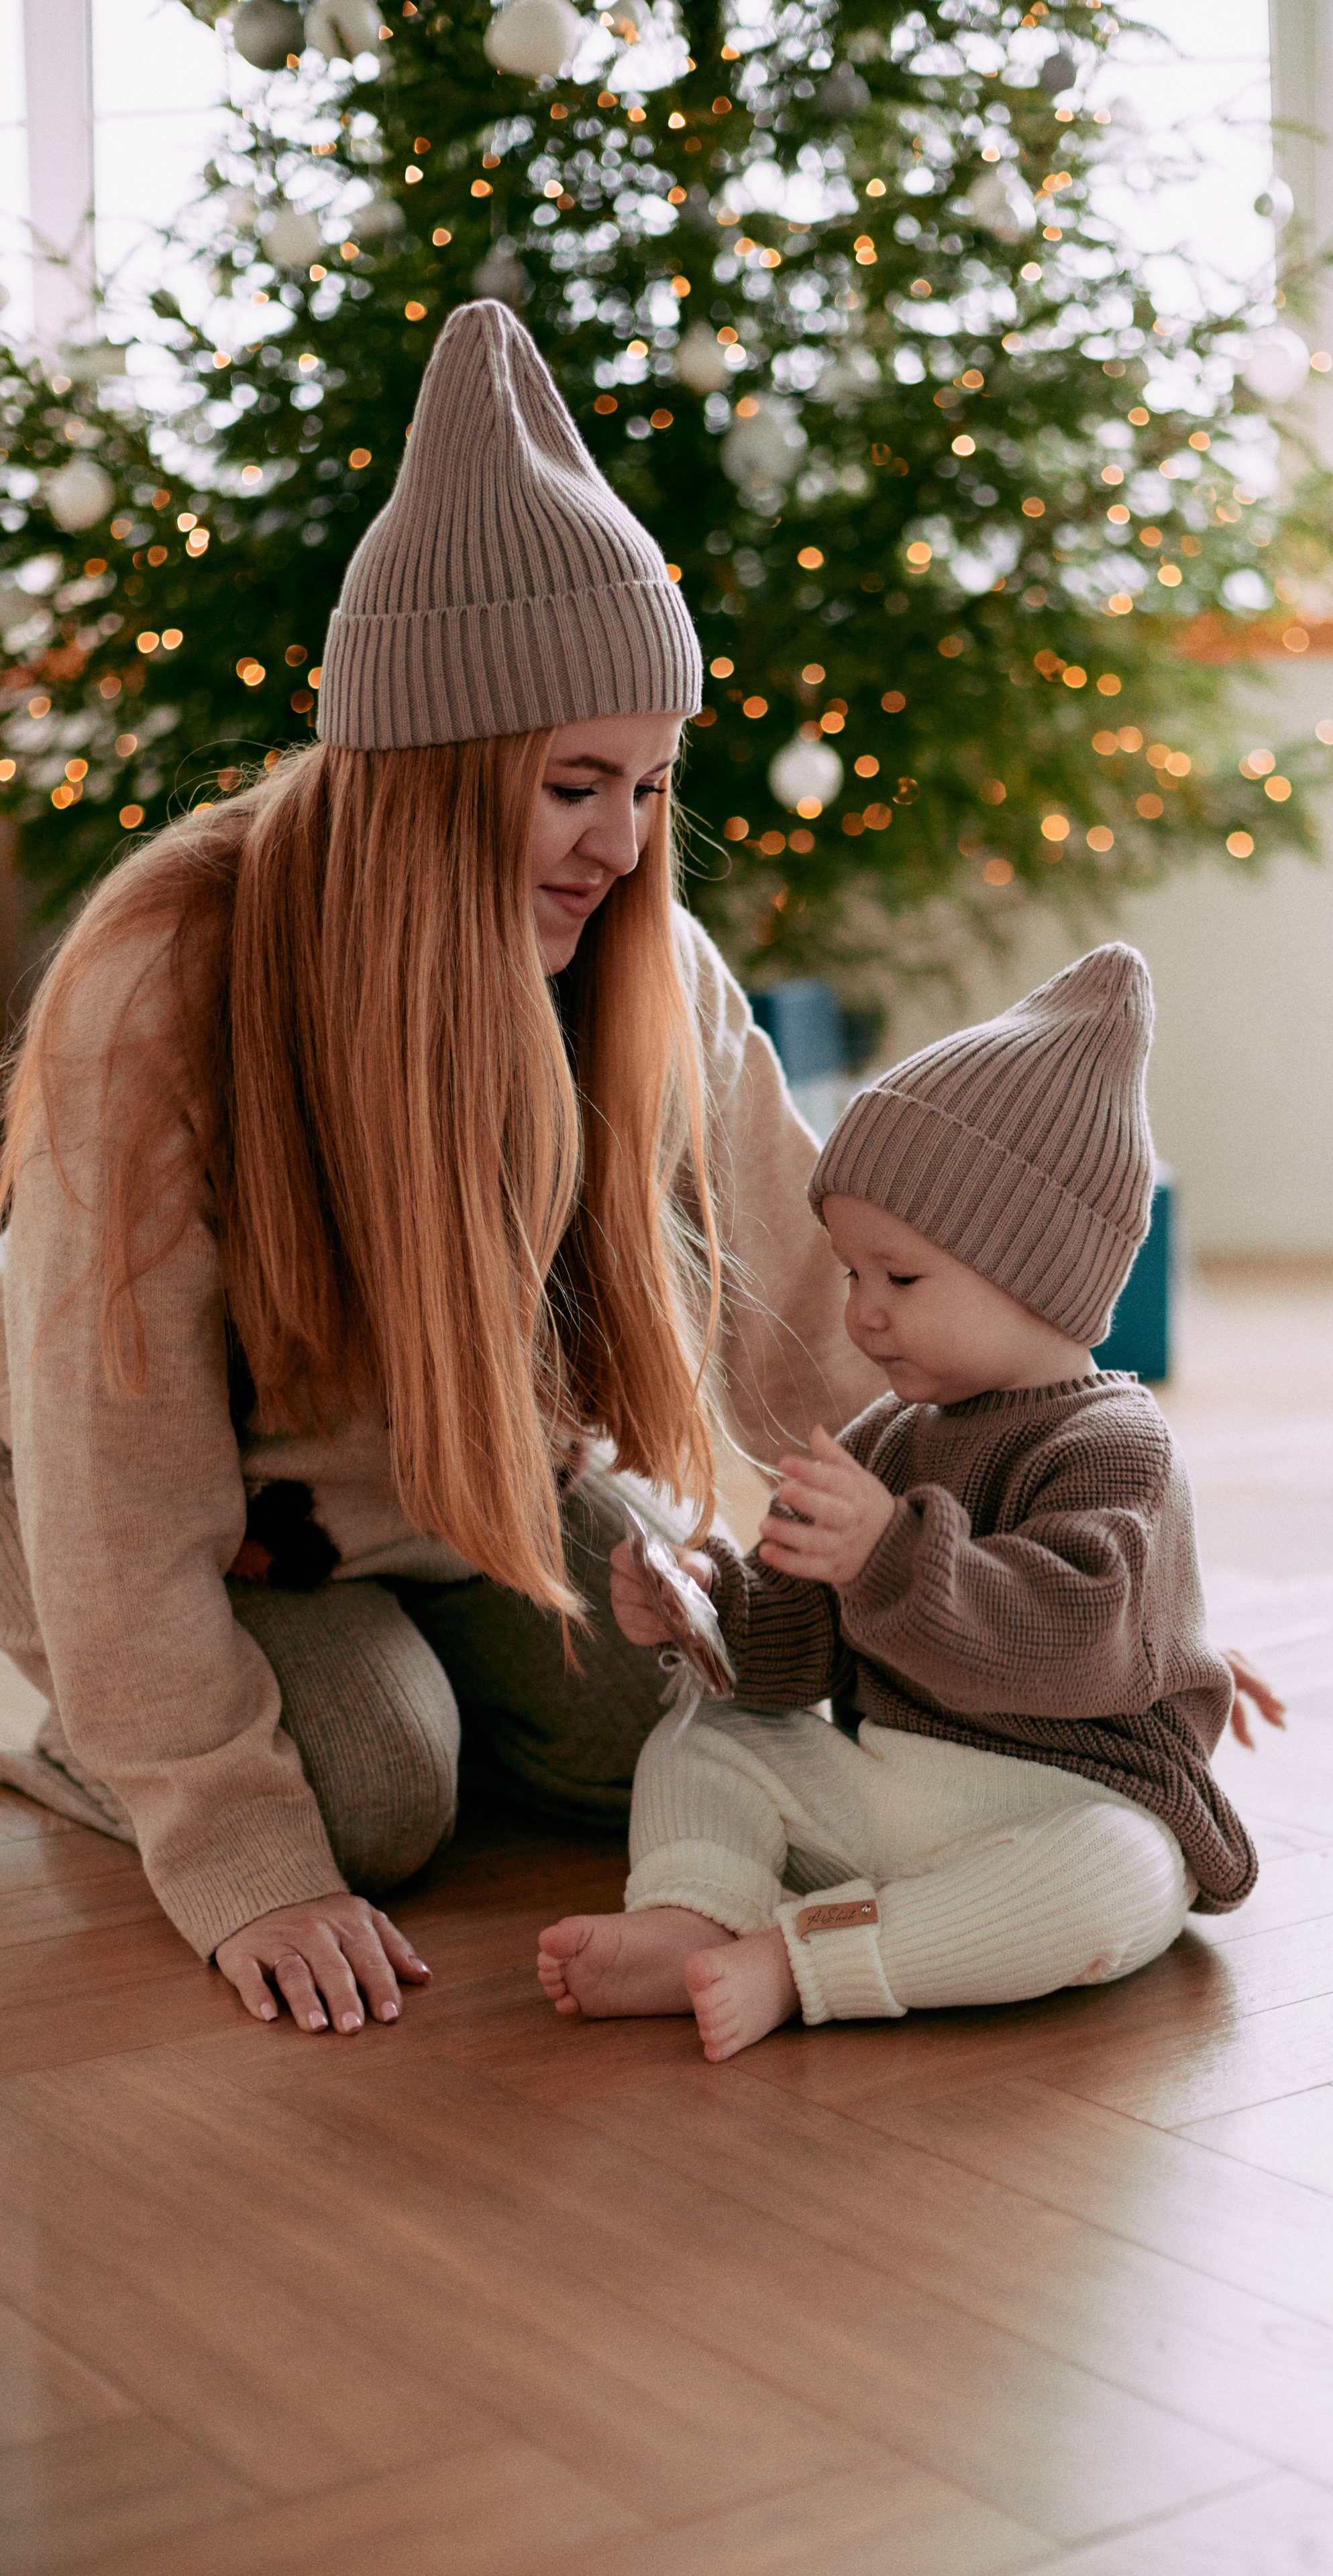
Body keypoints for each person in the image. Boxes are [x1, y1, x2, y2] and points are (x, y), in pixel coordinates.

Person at [0, 301, 879, 2037]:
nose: (624, 848)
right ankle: (79, 1733)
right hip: (226, 1538)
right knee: (379, 1788)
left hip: (475, 1490)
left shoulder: (643, 958)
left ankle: (426, 1692)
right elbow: (111, 1475)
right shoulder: (171, 979)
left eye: (645, 785)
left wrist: (1021, 1594)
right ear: (434, 772)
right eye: (574, 787)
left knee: (685, 1706)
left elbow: (809, 1312)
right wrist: (236, 1844)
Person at [537, 945, 1272, 2063]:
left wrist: (887, 1556)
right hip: (891, 1786)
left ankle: (806, 1961)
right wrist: (713, 1605)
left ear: (1038, 1272)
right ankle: (693, 1913)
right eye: (850, 1275)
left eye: (902, 1279)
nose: (863, 1316)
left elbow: (1071, 1639)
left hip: (1062, 1800)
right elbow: (799, 1650)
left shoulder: (1116, 1447)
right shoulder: (889, 1435)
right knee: (708, 1733)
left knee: (1121, 1881)